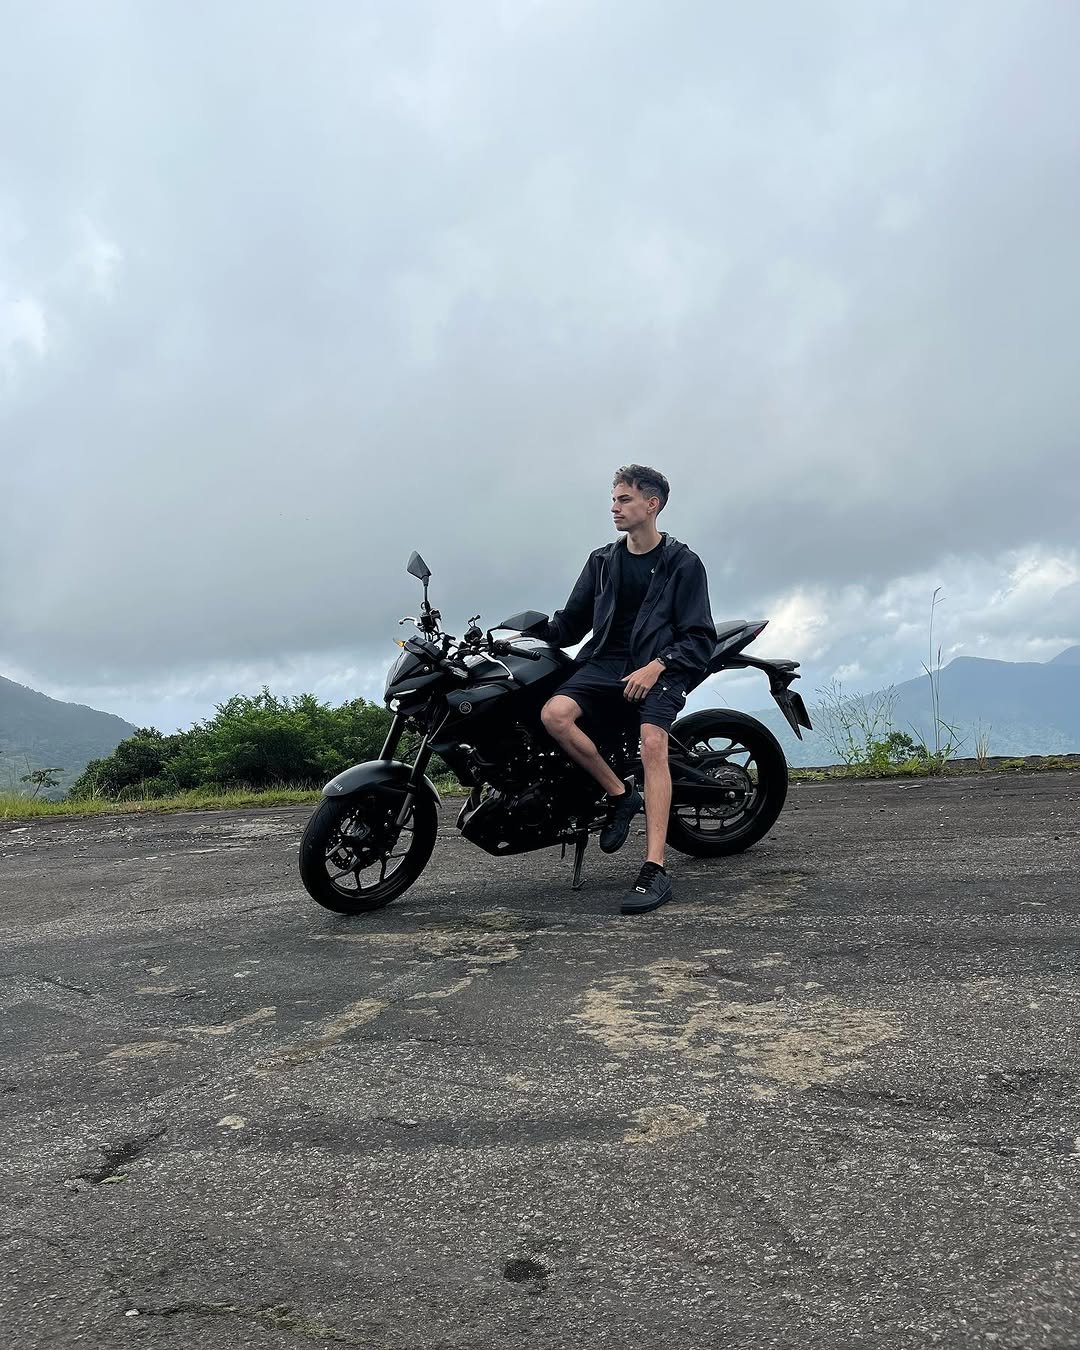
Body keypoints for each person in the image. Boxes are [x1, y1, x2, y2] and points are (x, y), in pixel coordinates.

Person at [540, 465, 716, 914]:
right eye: (614, 499)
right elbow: (570, 623)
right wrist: (519, 631)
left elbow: (699, 637)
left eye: (624, 500)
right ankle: (620, 794)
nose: (614, 507)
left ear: (651, 504)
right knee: (553, 715)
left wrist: (657, 666)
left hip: (663, 665)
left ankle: (654, 870)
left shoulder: (682, 563)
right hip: (605, 663)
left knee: (652, 742)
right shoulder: (602, 560)